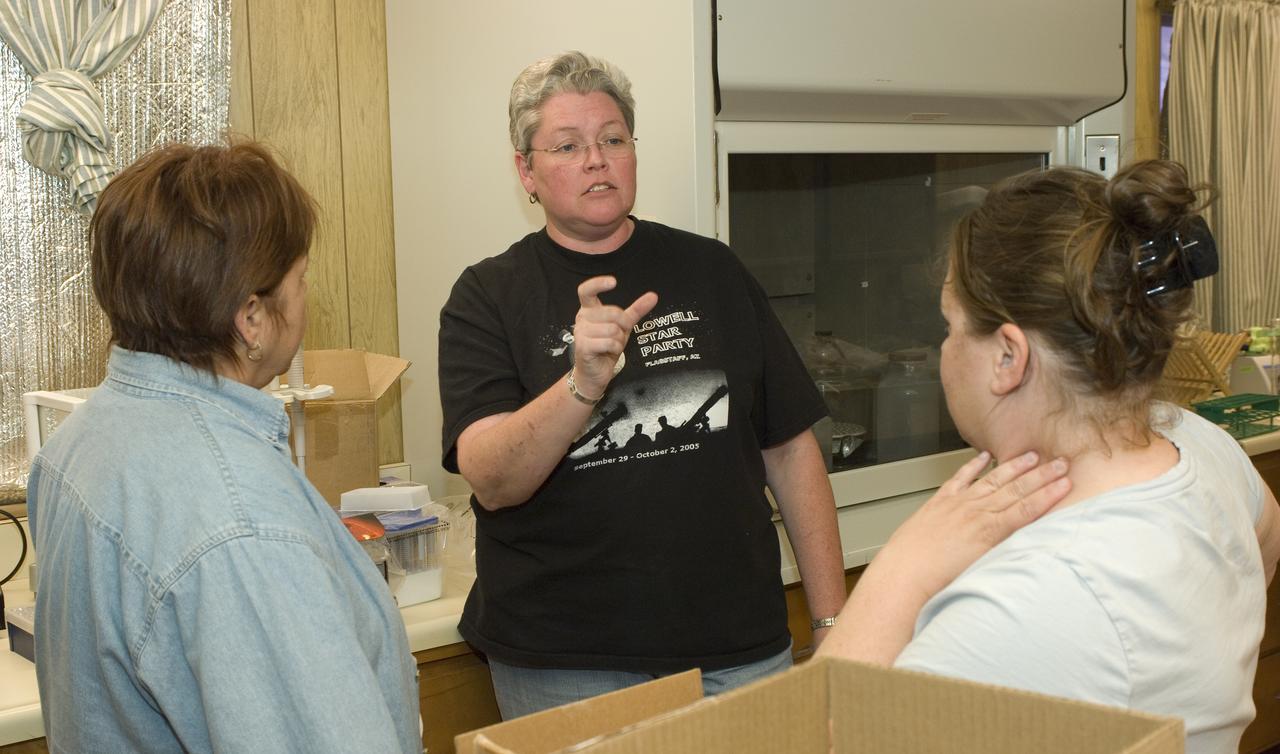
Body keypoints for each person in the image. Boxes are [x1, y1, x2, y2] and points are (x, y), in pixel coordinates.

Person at [437, 51, 852, 718]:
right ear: (527, 172)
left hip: (737, 649)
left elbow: (789, 449)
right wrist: (581, 383)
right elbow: (492, 478)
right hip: (566, 662)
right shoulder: (488, 295)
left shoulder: (713, 269)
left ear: (633, 150)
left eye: (612, 139)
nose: (596, 159)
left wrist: (833, 623)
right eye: (567, 146)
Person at [817, 160, 1280, 754]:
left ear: (1009, 357)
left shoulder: (1032, 601)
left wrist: (902, 566)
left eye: (950, 326)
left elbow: (814, 737)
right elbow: (1264, 546)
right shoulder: (1199, 442)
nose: (944, 350)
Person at [27, 142, 421, 753]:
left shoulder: (80, 441)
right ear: (252, 318)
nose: (306, 296)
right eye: (301, 278)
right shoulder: (244, 527)